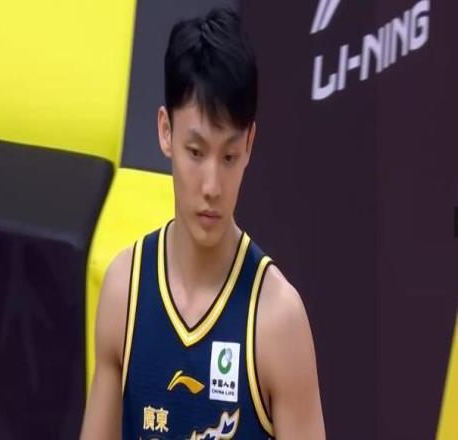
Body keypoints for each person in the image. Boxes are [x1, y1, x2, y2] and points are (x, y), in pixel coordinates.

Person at [80, 7, 325, 439]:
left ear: (250, 144)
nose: (212, 186)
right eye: (195, 152)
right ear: (165, 132)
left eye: (228, 156)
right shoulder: (124, 291)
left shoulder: (277, 321)